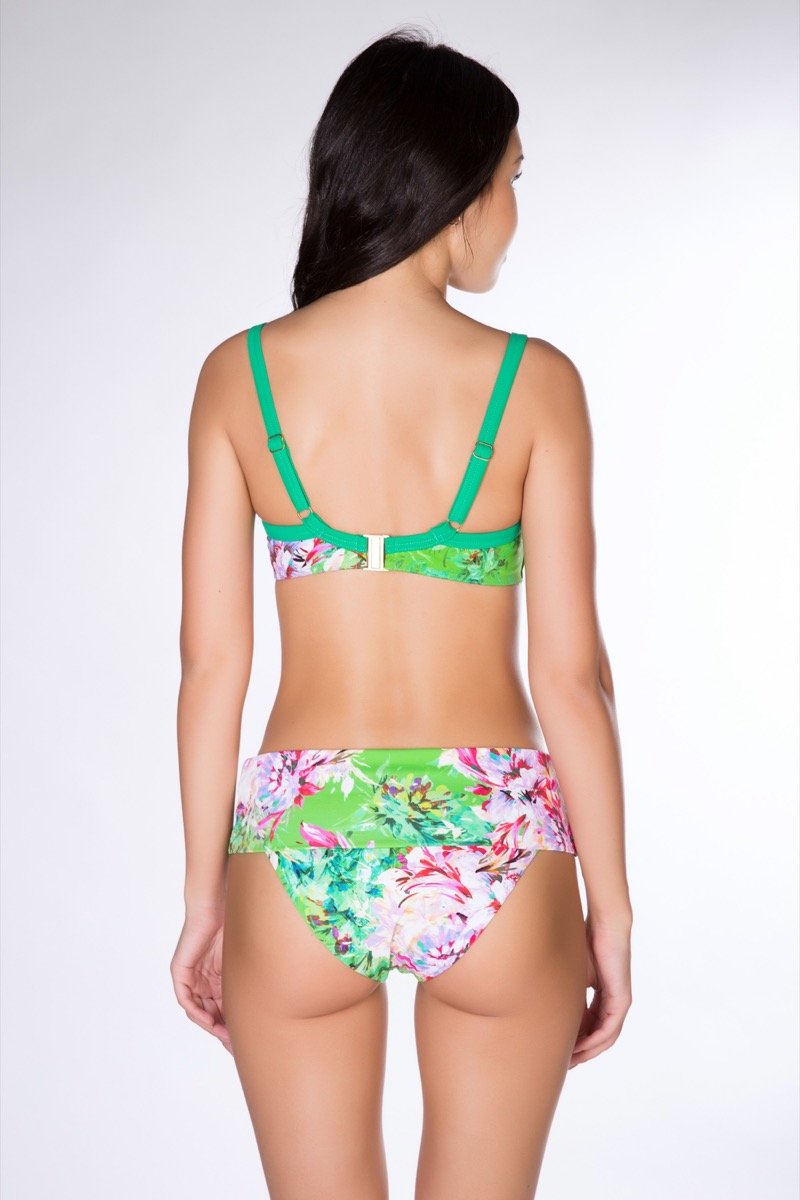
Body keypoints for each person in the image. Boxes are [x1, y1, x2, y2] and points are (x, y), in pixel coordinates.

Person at [170, 26, 632, 1200]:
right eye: (512, 178)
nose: (513, 212)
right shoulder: (534, 384)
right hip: (494, 835)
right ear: (456, 190)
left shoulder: (239, 377)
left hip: (296, 838)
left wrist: (202, 898)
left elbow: (211, 665)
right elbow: (572, 678)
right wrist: (612, 913)